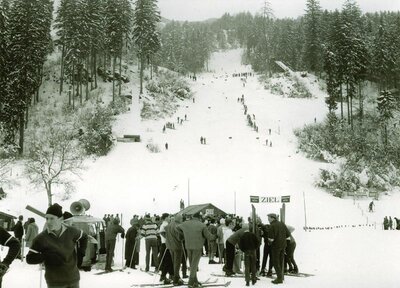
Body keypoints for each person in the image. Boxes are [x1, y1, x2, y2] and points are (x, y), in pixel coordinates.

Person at [26, 203, 88, 288]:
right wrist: (46, 256)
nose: (48, 222)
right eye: (46, 218)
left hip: (73, 280)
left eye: (52, 218)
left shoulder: (72, 231)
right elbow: (29, 259)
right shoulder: (41, 238)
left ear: (61, 219)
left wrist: (81, 252)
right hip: (55, 283)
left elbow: (84, 236)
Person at [177, 212, 216, 288]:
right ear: (199, 217)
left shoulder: (185, 223)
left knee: (192, 264)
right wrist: (216, 236)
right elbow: (209, 237)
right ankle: (191, 281)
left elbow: (177, 228)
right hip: (197, 246)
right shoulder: (202, 225)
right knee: (194, 265)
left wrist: (182, 235)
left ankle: (195, 280)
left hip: (188, 246)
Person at [267, 213, 291, 284]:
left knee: (275, 262)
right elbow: (288, 234)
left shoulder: (272, 226)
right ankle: (280, 277)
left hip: (276, 246)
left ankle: (279, 279)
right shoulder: (282, 224)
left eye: (269, 218)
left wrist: (269, 243)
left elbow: (271, 239)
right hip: (283, 245)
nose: (268, 219)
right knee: (280, 261)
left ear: (272, 218)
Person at [165, 214, 185, 286]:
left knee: (174, 262)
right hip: (177, 246)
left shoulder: (169, 225)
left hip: (170, 246)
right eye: (182, 218)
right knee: (177, 263)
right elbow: (179, 237)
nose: (182, 219)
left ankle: (174, 276)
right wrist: (183, 237)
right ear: (179, 218)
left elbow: (165, 233)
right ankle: (176, 279)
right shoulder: (178, 225)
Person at [158, 213, 174, 284]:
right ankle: (163, 276)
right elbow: (162, 233)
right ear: (165, 218)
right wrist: (169, 239)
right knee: (167, 261)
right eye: (168, 217)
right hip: (166, 244)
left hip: (166, 244)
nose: (169, 218)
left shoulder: (166, 224)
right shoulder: (165, 224)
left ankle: (171, 274)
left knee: (170, 260)